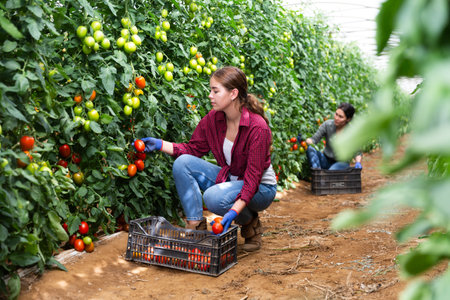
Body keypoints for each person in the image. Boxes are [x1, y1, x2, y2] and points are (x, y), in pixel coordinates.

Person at [138, 66, 277, 252]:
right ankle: (196, 229)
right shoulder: (214, 119)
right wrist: (160, 144)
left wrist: (235, 212)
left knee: (213, 198)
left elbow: (251, 181)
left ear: (233, 93)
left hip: (261, 188)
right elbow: (192, 149)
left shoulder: (257, 128)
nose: (210, 95)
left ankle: (250, 221)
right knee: (183, 163)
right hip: (234, 179)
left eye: (215, 91)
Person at [300, 102, 362, 170]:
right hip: (326, 160)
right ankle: (317, 173)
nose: (336, 118)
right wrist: (306, 141)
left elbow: (357, 152)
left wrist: (358, 163)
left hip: (342, 163)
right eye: (336, 114)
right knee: (310, 149)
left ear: (348, 119)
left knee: (331, 172)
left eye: (340, 117)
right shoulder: (328, 125)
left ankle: (323, 176)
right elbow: (314, 139)